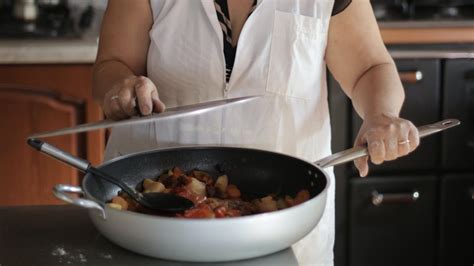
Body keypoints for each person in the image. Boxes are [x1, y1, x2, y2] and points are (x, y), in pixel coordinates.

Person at [92, 0, 420, 265]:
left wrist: (381, 114)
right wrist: (121, 87)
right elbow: (113, 63)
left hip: (283, 223)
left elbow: (369, 68)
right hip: (150, 214)